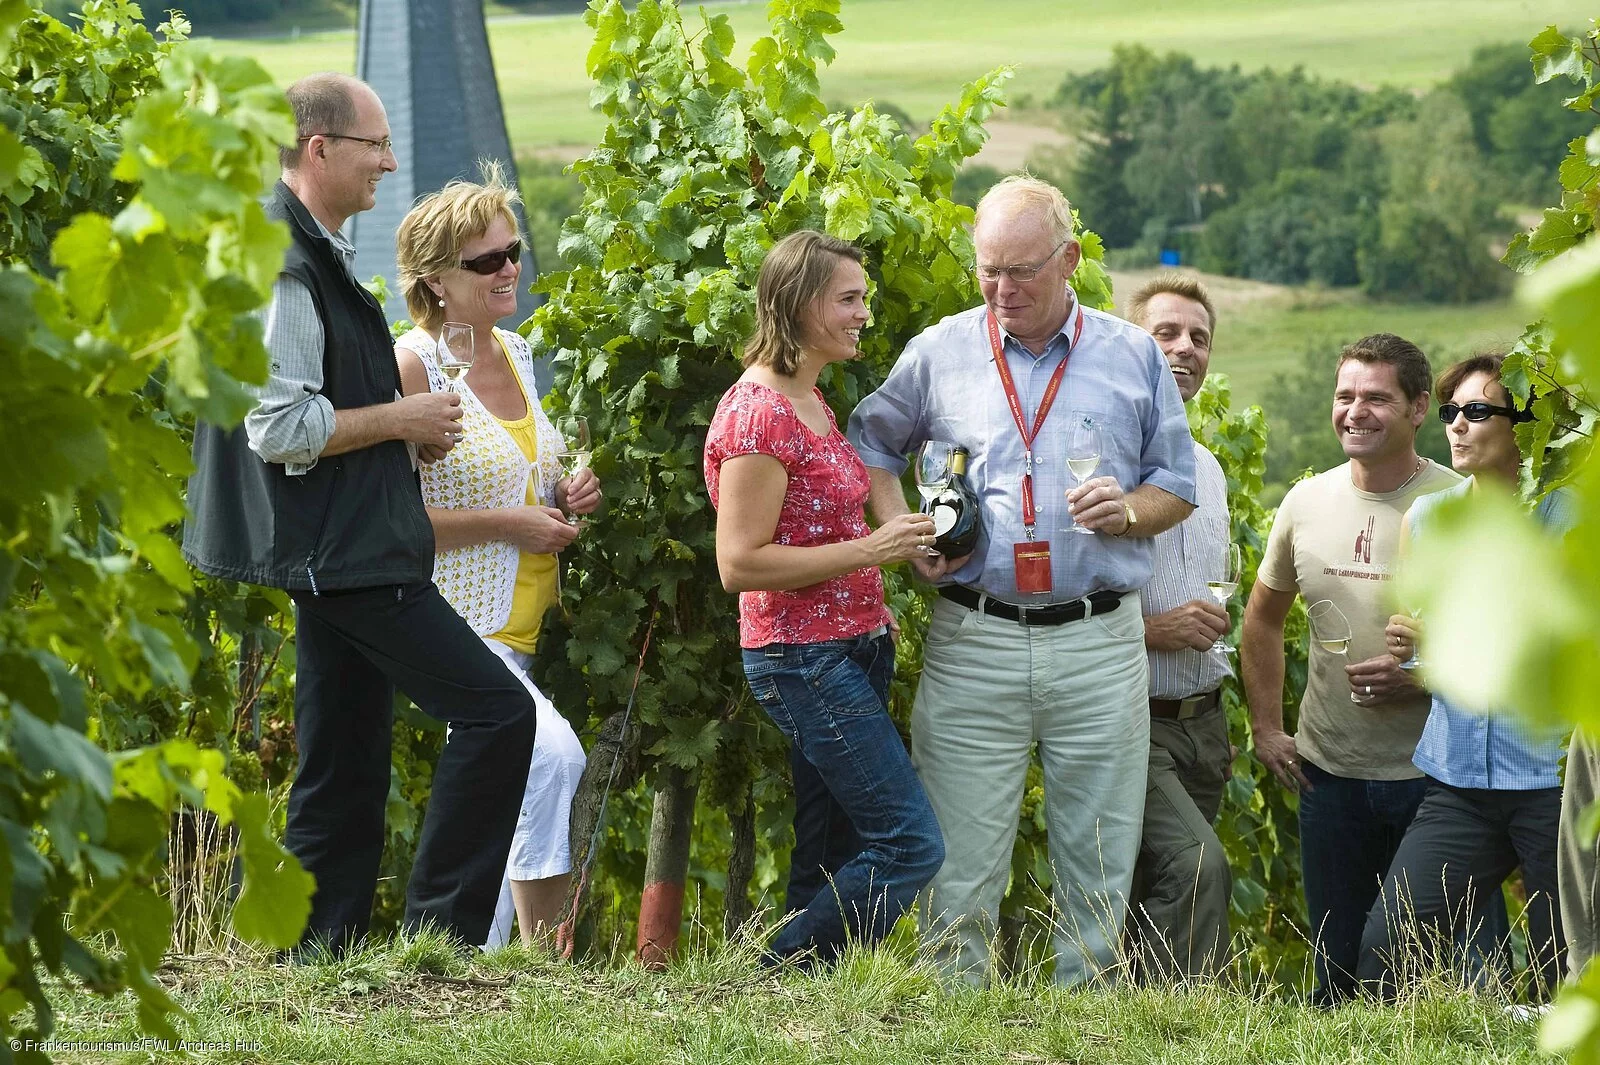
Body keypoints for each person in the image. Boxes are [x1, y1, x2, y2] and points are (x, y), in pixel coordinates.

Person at [182, 73, 537, 955]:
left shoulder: (313, 247)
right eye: (374, 145)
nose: (388, 160)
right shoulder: (287, 261)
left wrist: (399, 439)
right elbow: (280, 426)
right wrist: (401, 420)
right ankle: (438, 941)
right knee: (500, 713)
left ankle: (312, 950)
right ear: (319, 149)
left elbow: (316, 406)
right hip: (344, 553)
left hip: (336, 546)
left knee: (342, 762)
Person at [849, 176, 1198, 987]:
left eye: (1022, 271)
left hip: (1100, 639)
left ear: (1069, 259)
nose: (1002, 289)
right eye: (988, 271)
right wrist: (903, 535)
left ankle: (1081, 1031)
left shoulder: (1132, 353)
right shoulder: (939, 351)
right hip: (974, 635)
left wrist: (1131, 510)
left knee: (1098, 869)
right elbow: (871, 440)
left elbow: (1174, 484)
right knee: (957, 875)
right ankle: (955, 1031)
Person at [703, 230, 944, 968]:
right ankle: (773, 969)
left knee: (832, 846)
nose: (864, 312)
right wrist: (873, 550)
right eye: (849, 298)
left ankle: (813, 1005)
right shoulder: (759, 415)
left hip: (852, 644)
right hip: (801, 656)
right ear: (802, 305)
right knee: (909, 844)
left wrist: (870, 595)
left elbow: (820, 521)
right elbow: (739, 562)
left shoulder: (808, 398)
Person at [392, 166, 597, 949]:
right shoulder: (415, 364)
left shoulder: (514, 349)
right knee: (550, 757)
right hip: (455, 620)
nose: (509, 268)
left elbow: (529, 469)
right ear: (437, 281)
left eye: (511, 251)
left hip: (523, 630)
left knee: (503, 791)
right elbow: (396, 521)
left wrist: (572, 484)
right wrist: (510, 523)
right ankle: (548, 963)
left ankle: (470, 967)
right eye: (486, 262)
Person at [1240, 333, 1460, 1005]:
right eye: (1345, 395)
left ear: (1419, 407)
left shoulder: (1462, 504)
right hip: (1327, 775)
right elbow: (1262, 620)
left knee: (1422, 969)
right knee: (1334, 967)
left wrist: (1425, 674)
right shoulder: (1306, 502)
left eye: (1376, 397)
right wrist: (1267, 728)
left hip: (1434, 779)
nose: (1355, 411)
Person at [1357, 354, 1571, 998]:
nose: (1456, 424)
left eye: (1477, 411)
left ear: (1525, 425)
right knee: (1384, 948)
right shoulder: (1429, 519)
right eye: (1450, 411)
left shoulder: (1569, 517)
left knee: (1564, 972)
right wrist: (1411, 646)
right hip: (1459, 783)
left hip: (1552, 783)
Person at [1123, 275, 1234, 980]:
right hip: (1135, 718)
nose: (1184, 348)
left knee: (1149, 893)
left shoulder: (1211, 469)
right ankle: (1176, 1035)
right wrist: (1153, 630)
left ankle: (1114, 1030)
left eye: (1198, 336)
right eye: (1166, 332)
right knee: (1200, 870)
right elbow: (1057, 599)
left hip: (1204, 726)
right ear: (1130, 342)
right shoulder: (1106, 461)